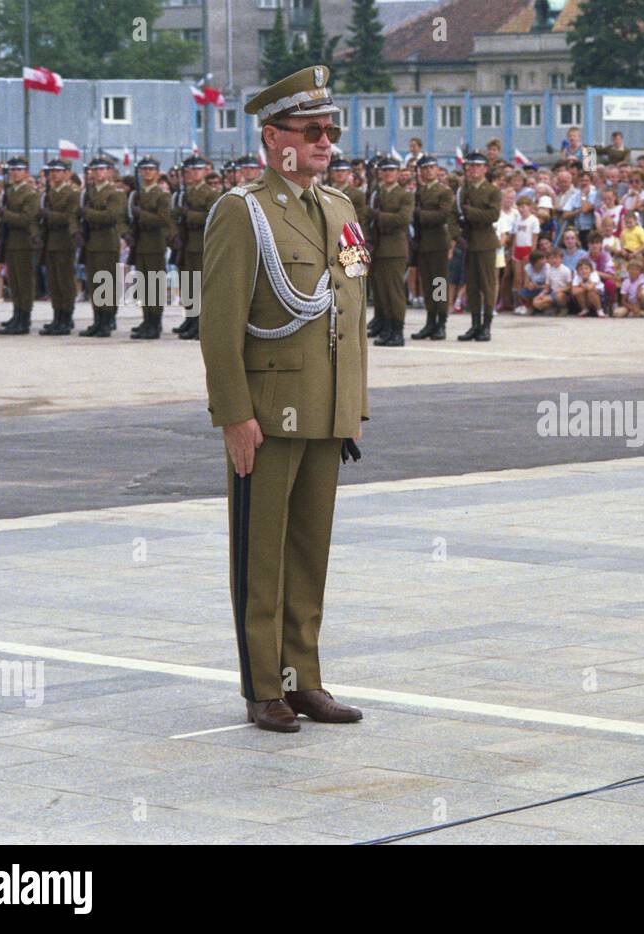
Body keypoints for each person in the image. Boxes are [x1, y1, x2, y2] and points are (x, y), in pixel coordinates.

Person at [200, 64, 368, 733]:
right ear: (274, 139)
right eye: (311, 130)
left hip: (326, 410)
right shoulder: (242, 212)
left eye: (330, 130)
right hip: (268, 415)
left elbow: (349, 312)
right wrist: (234, 415)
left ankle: (304, 678)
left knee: (308, 550)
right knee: (261, 553)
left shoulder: (339, 207)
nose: (325, 141)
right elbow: (219, 328)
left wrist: (352, 403)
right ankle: (264, 685)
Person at [77, 157, 126, 338]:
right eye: (95, 170)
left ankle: (107, 320)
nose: (98, 173)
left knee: (106, 283)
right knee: (94, 284)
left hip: (106, 243)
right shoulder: (88, 193)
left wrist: (88, 213)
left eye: (102, 169)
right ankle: (97, 320)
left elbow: (111, 216)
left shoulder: (114, 192)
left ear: (109, 172)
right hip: (91, 243)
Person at [126, 157, 173, 340]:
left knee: (154, 286)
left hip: (155, 245)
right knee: (144, 287)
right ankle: (147, 320)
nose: (147, 172)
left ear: (157, 172)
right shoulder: (137, 194)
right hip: (140, 245)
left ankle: (155, 323)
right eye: (144, 169)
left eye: (151, 169)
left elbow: (163, 219)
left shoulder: (162, 195)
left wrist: (142, 214)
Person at [368, 156, 413, 347]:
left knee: (437, 284)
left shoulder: (404, 195)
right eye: (385, 171)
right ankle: (387, 327)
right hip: (379, 248)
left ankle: (438, 320)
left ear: (398, 173)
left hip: (398, 248)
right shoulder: (376, 194)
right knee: (383, 292)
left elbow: (403, 219)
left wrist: (378, 216)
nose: (388, 174)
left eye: (392, 170)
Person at [457, 151, 501, 341]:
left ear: (485, 169)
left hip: (484, 242)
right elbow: (454, 214)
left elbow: (493, 215)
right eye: (470, 166)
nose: (473, 169)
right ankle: (475, 324)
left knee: (487, 286)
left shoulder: (492, 191)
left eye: (477, 166)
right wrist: (457, 236)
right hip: (468, 242)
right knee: (472, 286)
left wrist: (470, 212)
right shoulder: (463, 190)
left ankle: (486, 325)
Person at [410, 155, 455, 340]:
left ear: (437, 170)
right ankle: (430, 321)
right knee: (428, 285)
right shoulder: (418, 192)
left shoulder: (443, 191)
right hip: (423, 243)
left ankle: (441, 322)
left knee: (439, 284)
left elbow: (443, 215)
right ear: (420, 172)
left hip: (437, 243)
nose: (428, 171)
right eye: (425, 168)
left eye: (431, 168)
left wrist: (420, 214)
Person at [0, 156, 39, 335]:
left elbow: (26, 219)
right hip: (11, 243)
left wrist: (5, 214)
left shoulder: (30, 193)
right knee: (14, 282)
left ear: (26, 172)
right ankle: (17, 313)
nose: (14, 173)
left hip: (24, 243)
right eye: (12, 170)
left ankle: (24, 318)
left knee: (24, 282)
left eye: (19, 169)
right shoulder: (9, 191)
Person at [38, 159, 79, 336]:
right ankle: (57, 316)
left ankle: (66, 317)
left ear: (67, 173)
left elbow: (69, 216)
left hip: (64, 241)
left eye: (58, 171)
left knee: (65, 282)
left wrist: (49, 215)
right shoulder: (49, 193)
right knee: (53, 283)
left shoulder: (71, 193)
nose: (54, 174)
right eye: (52, 171)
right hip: (51, 242)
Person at [177, 155, 215, 340]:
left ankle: (201, 325)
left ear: (205, 171)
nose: (192, 173)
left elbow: (211, 216)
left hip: (201, 244)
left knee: (200, 286)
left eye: (197, 170)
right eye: (189, 171)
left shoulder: (210, 193)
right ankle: (191, 320)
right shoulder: (187, 192)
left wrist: (189, 215)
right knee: (189, 285)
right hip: (188, 244)